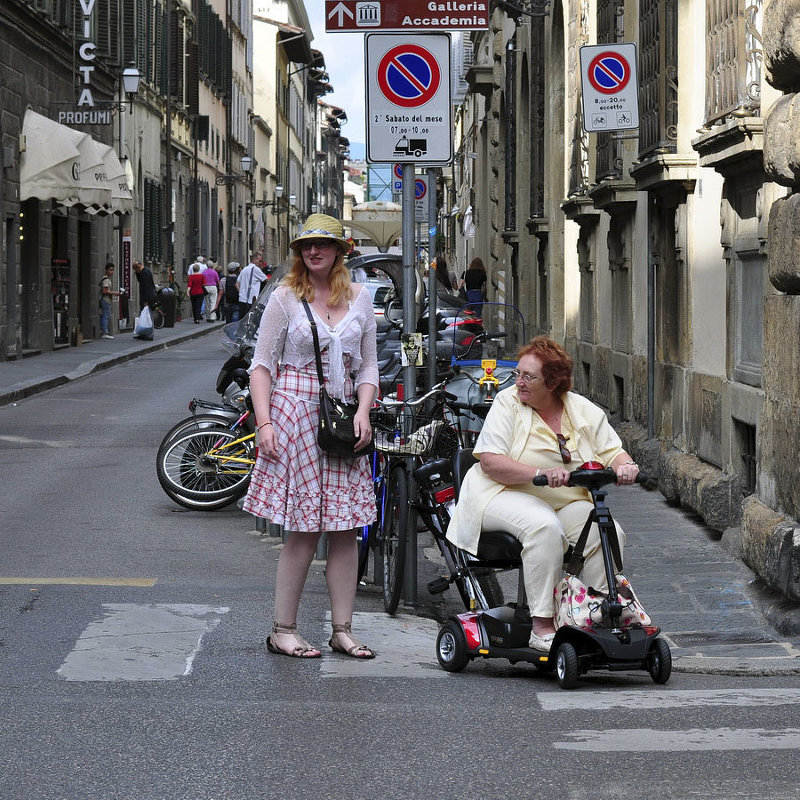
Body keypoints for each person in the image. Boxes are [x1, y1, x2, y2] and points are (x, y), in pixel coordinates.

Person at [446, 336, 640, 652]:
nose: (518, 382)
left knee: (607, 532)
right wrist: (539, 474)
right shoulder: (507, 402)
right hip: (498, 493)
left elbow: (613, 451)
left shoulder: (582, 410)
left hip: (564, 500)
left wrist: (626, 466)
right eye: (518, 373)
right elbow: (492, 462)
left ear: (551, 383)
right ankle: (542, 625)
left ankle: (589, 617)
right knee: (544, 526)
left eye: (528, 376)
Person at [242, 213, 378, 660]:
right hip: (294, 414)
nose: (313, 251)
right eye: (305, 245)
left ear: (341, 250)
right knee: (304, 529)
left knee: (345, 529)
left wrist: (363, 410)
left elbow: (369, 366)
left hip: (340, 418)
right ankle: (283, 629)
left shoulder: (360, 298)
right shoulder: (284, 298)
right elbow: (262, 366)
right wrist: (264, 424)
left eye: (322, 244)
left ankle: (342, 630)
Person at [236, 254, 267, 320]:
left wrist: (241, 292)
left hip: (242, 300)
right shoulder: (256, 269)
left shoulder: (244, 269)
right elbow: (267, 280)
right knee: (251, 322)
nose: (261, 263)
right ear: (255, 260)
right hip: (251, 301)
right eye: (260, 261)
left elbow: (237, 284)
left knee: (242, 321)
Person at [98, 262, 120, 339]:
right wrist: (115, 293)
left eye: (113, 270)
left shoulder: (105, 279)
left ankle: (103, 331)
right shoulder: (106, 280)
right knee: (105, 315)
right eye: (110, 270)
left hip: (104, 299)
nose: (112, 272)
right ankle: (104, 332)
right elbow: (105, 291)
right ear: (106, 270)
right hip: (105, 300)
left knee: (104, 315)